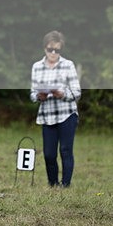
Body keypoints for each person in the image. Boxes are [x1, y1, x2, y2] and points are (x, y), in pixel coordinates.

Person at [30, 31, 82, 187]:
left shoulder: (68, 65)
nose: (53, 53)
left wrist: (62, 94)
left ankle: (65, 185)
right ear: (44, 48)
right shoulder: (37, 67)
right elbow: (32, 94)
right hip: (47, 115)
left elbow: (77, 92)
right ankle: (53, 184)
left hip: (67, 114)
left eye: (57, 50)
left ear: (61, 50)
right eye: (50, 49)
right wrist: (39, 96)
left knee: (65, 150)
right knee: (49, 154)